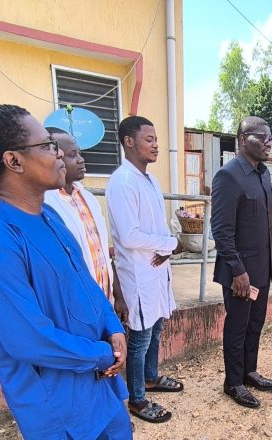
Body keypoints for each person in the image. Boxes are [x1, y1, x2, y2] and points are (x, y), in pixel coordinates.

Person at [0, 104, 131, 440]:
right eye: (48, 145)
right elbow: (30, 340)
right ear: (14, 161)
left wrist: (111, 325)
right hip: (59, 407)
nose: (60, 154)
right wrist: (104, 353)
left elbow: (85, 282)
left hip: (100, 386)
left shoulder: (50, 217)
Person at [43, 127, 130, 406]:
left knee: (111, 359)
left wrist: (117, 292)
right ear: (53, 158)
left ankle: (112, 410)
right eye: (71, 155)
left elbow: (103, 252)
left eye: (79, 153)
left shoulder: (87, 197)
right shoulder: (47, 203)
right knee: (87, 367)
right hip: (76, 307)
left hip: (102, 299)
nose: (80, 160)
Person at [105, 116, 184, 424]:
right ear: (129, 142)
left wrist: (166, 250)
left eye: (156, 139)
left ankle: (151, 378)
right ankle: (137, 398)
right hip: (137, 274)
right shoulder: (122, 181)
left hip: (156, 269)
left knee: (157, 328)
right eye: (149, 139)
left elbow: (157, 227)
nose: (156, 145)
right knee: (139, 338)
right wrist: (167, 243)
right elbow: (129, 235)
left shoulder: (150, 179)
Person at [211, 116, 272, 409]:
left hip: (262, 268)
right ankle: (233, 382)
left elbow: (266, 219)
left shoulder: (263, 174)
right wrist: (238, 270)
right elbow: (221, 231)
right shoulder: (228, 176)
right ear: (243, 139)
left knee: (256, 323)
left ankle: (249, 371)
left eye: (271, 136)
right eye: (262, 136)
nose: (269, 141)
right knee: (237, 326)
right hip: (239, 273)